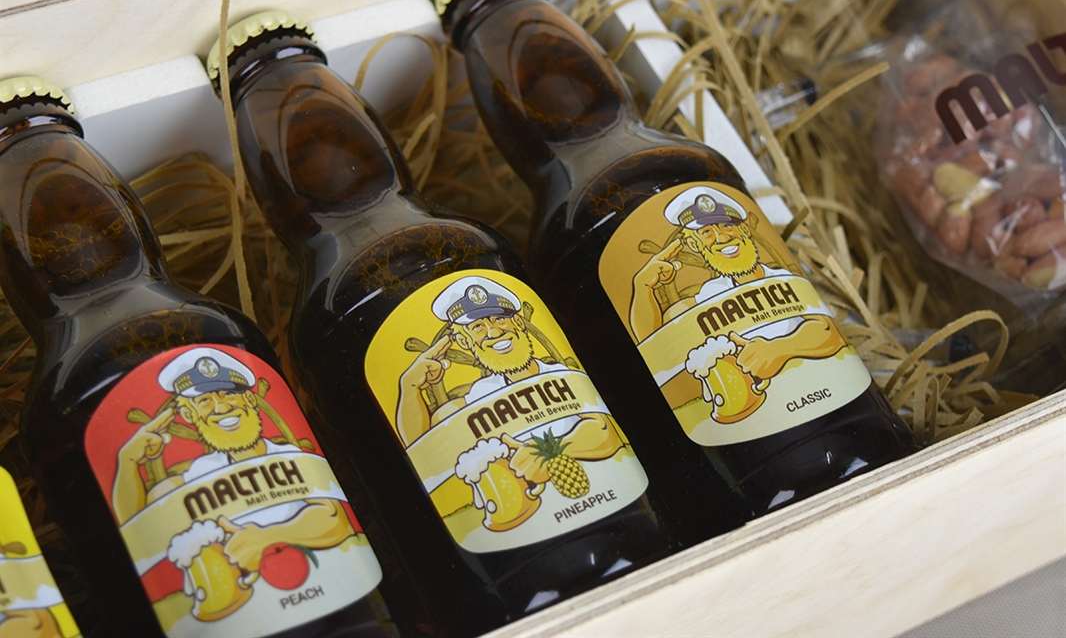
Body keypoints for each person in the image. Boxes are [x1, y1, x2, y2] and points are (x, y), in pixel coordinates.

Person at [112, 349, 354, 577]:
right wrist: (128, 463)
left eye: (229, 394)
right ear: (188, 414)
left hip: (327, 578)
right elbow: (139, 531)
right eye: (204, 400)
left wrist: (269, 537)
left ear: (249, 398)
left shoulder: (289, 456)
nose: (222, 407)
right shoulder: (194, 475)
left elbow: (336, 520)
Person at [396, 277, 624, 487]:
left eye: (499, 319)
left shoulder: (560, 374)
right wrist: (410, 389)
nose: (494, 332)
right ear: (464, 342)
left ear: (518, 322)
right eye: (477, 327)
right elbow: (426, 453)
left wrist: (548, 455)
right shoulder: (476, 396)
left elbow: (604, 431)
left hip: (609, 489)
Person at [630, 187, 847, 384]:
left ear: (744, 229)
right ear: (694, 245)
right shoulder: (705, 297)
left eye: (727, 226)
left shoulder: (784, 278)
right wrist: (643, 289)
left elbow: (829, 331)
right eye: (706, 233)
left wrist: (779, 349)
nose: (722, 238)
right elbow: (657, 350)